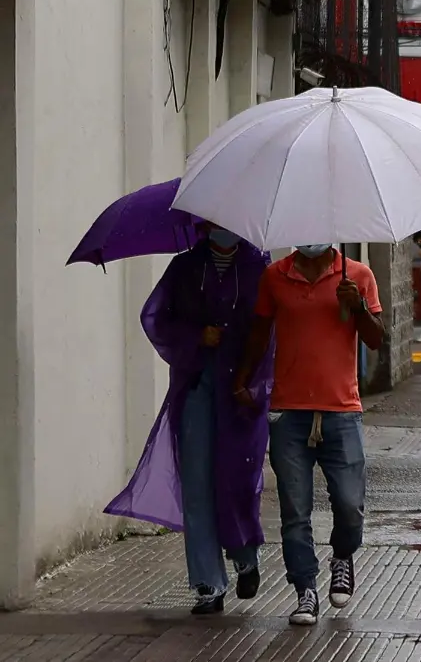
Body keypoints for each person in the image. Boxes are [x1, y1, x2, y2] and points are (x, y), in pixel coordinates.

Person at [106, 225, 273, 615]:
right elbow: (157, 318)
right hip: (196, 385)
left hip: (241, 391)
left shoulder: (256, 268)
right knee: (196, 482)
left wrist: (255, 378)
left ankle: (245, 554)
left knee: (237, 478)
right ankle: (208, 584)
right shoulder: (185, 268)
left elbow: (269, 329)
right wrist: (197, 336)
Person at [236, 244, 383, 626]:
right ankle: (305, 590)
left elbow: (376, 339)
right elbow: (259, 331)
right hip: (289, 413)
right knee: (294, 512)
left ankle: (342, 557)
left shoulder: (358, 275)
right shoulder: (275, 277)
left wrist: (359, 306)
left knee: (350, 505)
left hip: (342, 411)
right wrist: (243, 379)